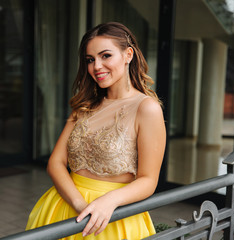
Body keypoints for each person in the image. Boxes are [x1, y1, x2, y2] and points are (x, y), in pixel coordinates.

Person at [26, 22, 166, 239]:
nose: (96, 66)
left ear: (128, 54)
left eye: (106, 56)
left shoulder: (146, 109)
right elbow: (56, 162)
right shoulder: (85, 105)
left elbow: (148, 180)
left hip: (111, 217)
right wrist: (79, 204)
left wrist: (108, 201)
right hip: (65, 209)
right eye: (90, 60)